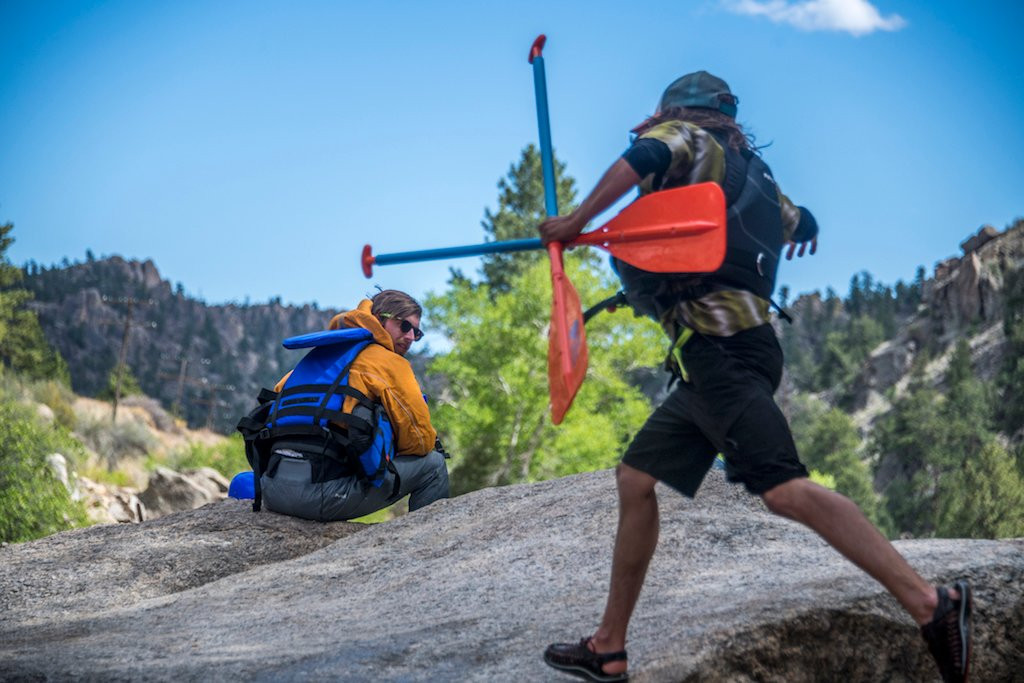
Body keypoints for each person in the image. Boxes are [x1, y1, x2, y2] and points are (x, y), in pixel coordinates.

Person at [539, 71, 971, 683]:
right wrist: (803, 231)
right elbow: (803, 222)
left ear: (675, 109)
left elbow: (643, 158)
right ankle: (608, 647)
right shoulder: (758, 176)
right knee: (636, 477)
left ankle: (933, 604)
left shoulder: (681, 135)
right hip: (726, 355)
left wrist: (576, 220)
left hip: (723, 354)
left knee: (784, 489)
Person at [259, 289, 449, 521]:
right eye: (404, 326)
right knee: (434, 464)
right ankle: (427, 547)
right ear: (380, 318)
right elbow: (420, 442)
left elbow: (274, 405)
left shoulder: (322, 356)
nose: (410, 337)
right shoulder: (389, 363)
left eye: (416, 333)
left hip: (272, 490)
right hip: (320, 497)